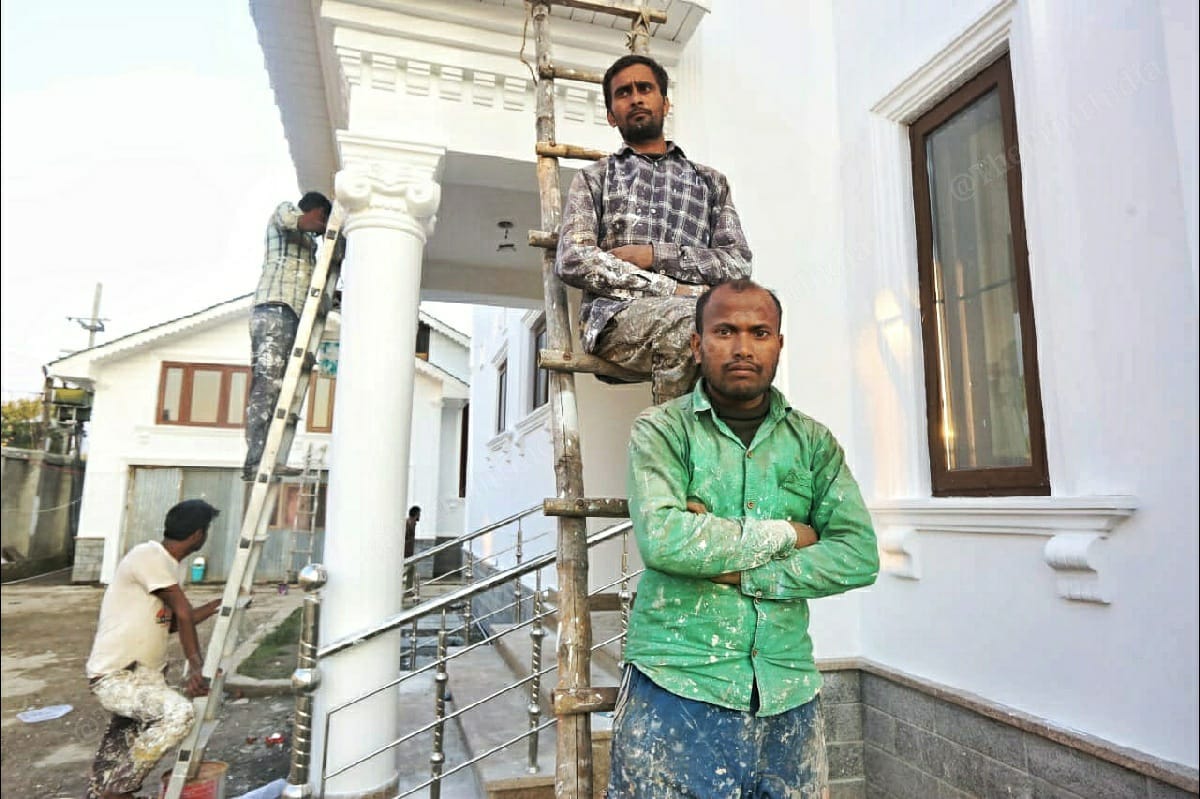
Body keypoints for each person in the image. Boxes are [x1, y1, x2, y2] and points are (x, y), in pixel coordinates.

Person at [609, 279, 879, 797]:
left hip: (789, 693)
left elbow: (858, 555)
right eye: (725, 331)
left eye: (759, 332)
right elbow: (665, 540)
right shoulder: (663, 431)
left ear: (779, 344)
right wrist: (791, 534)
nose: (742, 347)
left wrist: (737, 566)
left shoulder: (813, 443)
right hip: (678, 684)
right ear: (697, 343)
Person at [555, 54, 752, 404]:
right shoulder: (594, 179)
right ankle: (671, 453)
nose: (636, 97)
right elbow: (573, 259)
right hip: (615, 319)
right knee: (691, 320)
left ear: (665, 102)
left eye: (645, 88)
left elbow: (737, 265)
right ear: (611, 115)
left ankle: (737, 450)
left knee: (752, 331)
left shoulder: (710, 182)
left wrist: (655, 256)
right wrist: (669, 288)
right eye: (623, 93)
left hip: (700, 316)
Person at [84, 499, 224, 799]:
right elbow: (183, 613)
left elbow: (172, 623)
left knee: (110, 764)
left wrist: (213, 608)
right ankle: (122, 789)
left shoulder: (168, 567)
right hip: (117, 676)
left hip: (145, 679)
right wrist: (196, 665)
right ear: (199, 534)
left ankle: (107, 789)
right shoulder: (148, 556)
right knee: (178, 714)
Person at [244, 191, 333, 480]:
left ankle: (271, 458)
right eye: (322, 217)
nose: (322, 226)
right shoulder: (285, 213)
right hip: (272, 308)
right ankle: (255, 461)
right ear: (313, 211)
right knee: (267, 384)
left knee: (283, 389)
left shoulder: (310, 249)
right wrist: (327, 227)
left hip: (294, 317)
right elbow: (296, 221)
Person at [404, 505, 421, 597]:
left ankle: (408, 591)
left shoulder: (413, 523)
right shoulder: (407, 523)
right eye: (419, 514)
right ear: (416, 514)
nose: (420, 516)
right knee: (405, 571)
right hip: (405, 554)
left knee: (411, 569)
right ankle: (404, 592)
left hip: (409, 554)